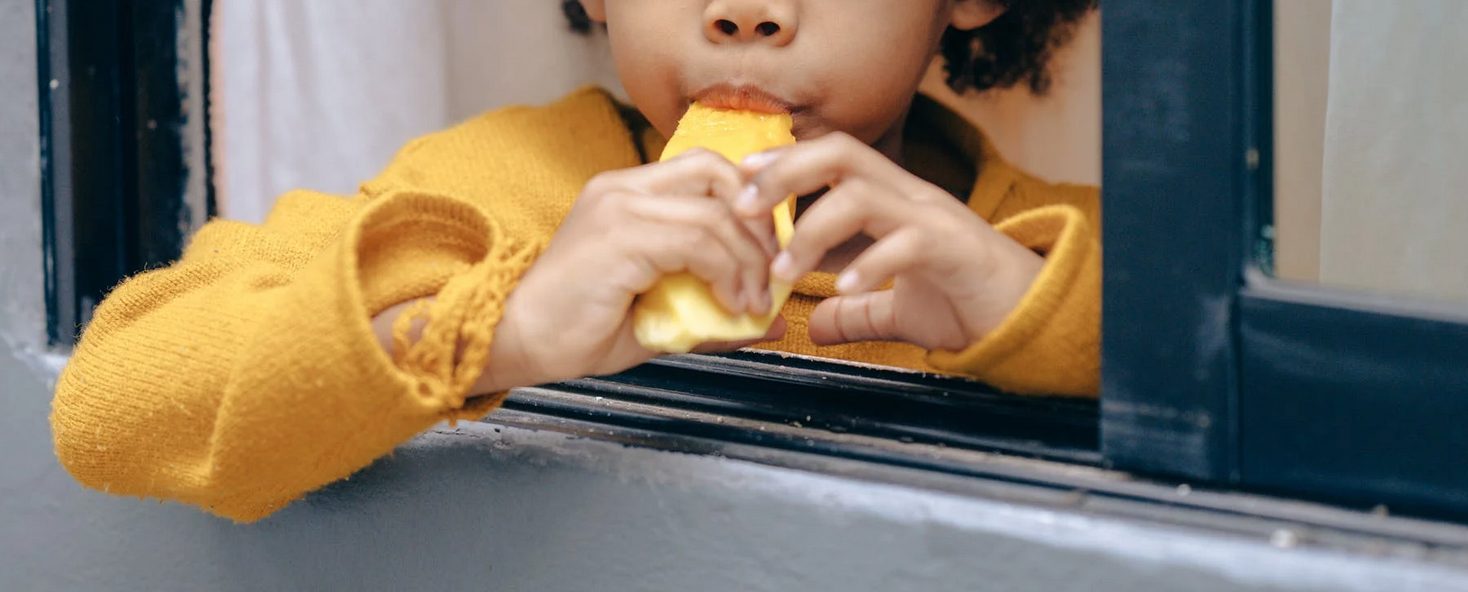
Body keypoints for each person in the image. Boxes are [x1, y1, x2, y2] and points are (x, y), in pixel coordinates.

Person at [51, 0, 1099, 523]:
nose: (744, 10)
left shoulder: (1079, 256)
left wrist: (1034, 311)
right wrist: (488, 329)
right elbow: (113, 400)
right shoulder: (492, 189)